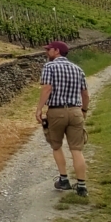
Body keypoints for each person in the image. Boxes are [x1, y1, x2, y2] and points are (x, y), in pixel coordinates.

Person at [35, 41, 90, 196]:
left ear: (56, 51)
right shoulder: (78, 69)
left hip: (56, 111)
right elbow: (85, 94)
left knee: (56, 145)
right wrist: (83, 111)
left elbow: (47, 88)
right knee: (76, 149)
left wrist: (39, 108)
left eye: (49, 50)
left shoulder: (49, 67)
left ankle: (64, 179)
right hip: (75, 111)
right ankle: (81, 186)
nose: (47, 52)